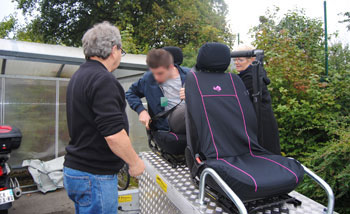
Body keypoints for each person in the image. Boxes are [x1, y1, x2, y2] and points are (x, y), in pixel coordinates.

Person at [63, 21, 145, 214]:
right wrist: (134, 163)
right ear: (114, 49)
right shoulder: (103, 79)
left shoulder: (79, 76)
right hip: (94, 175)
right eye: (121, 51)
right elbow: (113, 134)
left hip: (77, 170)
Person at [126, 48, 189, 134]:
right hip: (164, 127)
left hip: (189, 124)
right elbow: (130, 93)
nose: (156, 78)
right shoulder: (148, 78)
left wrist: (193, 95)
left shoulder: (191, 76)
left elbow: (207, 99)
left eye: (160, 73)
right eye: (153, 73)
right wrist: (141, 111)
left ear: (171, 67)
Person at [234, 44, 281, 155]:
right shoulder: (254, 73)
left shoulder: (250, 78)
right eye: (235, 59)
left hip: (261, 127)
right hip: (260, 123)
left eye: (240, 60)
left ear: (252, 60)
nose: (236, 63)